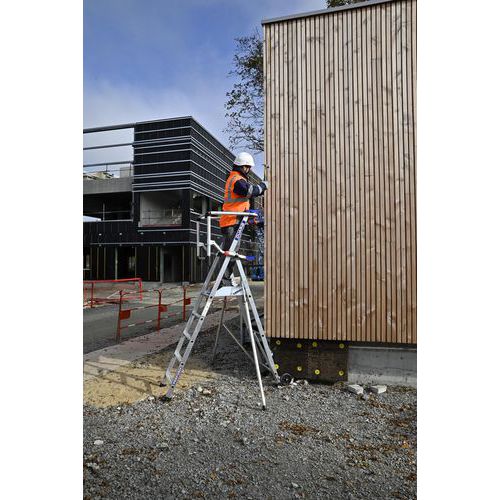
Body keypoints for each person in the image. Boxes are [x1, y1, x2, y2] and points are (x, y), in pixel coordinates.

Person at [219, 152, 268, 287]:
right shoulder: (237, 180)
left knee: (230, 252)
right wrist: (263, 186)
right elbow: (249, 191)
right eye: (248, 167)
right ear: (243, 166)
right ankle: (225, 280)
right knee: (230, 253)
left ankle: (226, 279)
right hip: (232, 221)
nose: (249, 170)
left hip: (232, 221)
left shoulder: (236, 178)